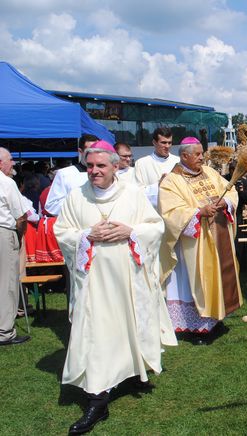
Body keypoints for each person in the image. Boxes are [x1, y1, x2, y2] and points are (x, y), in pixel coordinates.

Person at [54, 141, 177, 434]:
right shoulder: (76, 198)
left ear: (114, 166)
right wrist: (87, 234)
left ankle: (130, 372)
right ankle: (97, 397)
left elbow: (155, 227)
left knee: (128, 326)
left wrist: (131, 230)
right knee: (96, 332)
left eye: (100, 166)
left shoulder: (132, 194)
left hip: (128, 279)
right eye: (90, 166)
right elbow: (62, 232)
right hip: (93, 282)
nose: (94, 171)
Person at [159, 137, 242, 336]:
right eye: (197, 154)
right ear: (184, 156)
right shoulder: (172, 181)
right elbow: (170, 212)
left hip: (218, 237)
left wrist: (226, 204)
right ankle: (194, 326)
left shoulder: (211, 173)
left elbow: (230, 193)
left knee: (218, 278)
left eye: (202, 152)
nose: (201, 157)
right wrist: (198, 213)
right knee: (193, 283)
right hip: (192, 244)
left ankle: (215, 319)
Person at [0, 147, 30, 346]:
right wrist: (19, 236)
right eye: (10, 160)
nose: (13, 164)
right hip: (3, 231)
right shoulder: (6, 182)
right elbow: (21, 216)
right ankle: (4, 332)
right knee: (7, 283)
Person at [44, 134, 99, 216]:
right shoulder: (65, 174)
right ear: (80, 151)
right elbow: (52, 206)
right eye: (90, 151)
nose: (94, 154)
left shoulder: (107, 173)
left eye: (98, 151)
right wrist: (80, 202)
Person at [134, 127, 179, 206]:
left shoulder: (178, 161)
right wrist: (158, 185)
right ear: (154, 142)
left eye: (170, 143)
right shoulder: (141, 163)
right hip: (154, 211)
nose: (167, 146)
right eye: (163, 142)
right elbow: (137, 192)